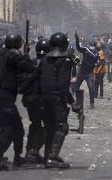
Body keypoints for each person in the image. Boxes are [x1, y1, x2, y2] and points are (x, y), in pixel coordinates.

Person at [0, 34, 34, 171]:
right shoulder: (14, 54)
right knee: (5, 129)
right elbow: (29, 67)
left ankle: (16, 157)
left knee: (17, 128)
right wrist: (25, 53)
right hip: (3, 97)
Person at [37, 32, 77, 168]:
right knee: (61, 127)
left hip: (43, 98)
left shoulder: (44, 60)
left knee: (50, 128)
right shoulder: (66, 61)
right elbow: (63, 85)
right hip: (57, 99)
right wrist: (72, 102)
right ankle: (52, 157)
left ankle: (48, 156)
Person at [20, 38, 51, 164]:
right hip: (43, 100)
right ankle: (37, 151)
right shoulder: (49, 64)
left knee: (35, 124)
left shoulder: (30, 62)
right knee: (46, 126)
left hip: (31, 99)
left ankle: (32, 151)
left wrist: (25, 54)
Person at [73, 32, 98, 109]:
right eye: (92, 45)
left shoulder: (96, 54)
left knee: (91, 88)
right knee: (75, 87)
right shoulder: (85, 50)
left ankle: (92, 103)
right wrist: (77, 38)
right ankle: (76, 102)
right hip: (82, 72)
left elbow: (96, 63)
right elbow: (78, 48)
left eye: (94, 45)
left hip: (89, 73)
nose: (92, 46)